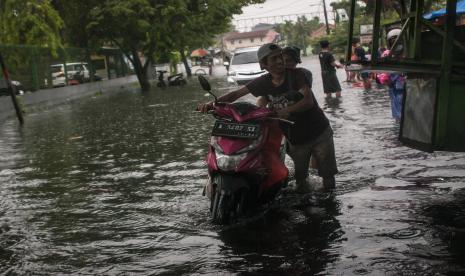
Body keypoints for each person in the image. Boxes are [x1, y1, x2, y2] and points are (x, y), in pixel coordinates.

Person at [199, 43, 338, 191]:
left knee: (327, 176)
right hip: (295, 139)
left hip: (319, 132)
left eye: (280, 57)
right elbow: (236, 94)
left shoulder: (297, 75)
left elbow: (308, 101)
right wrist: (212, 104)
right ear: (264, 64)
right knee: (301, 180)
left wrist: (285, 111)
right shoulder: (263, 82)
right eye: (274, 59)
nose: (280, 61)